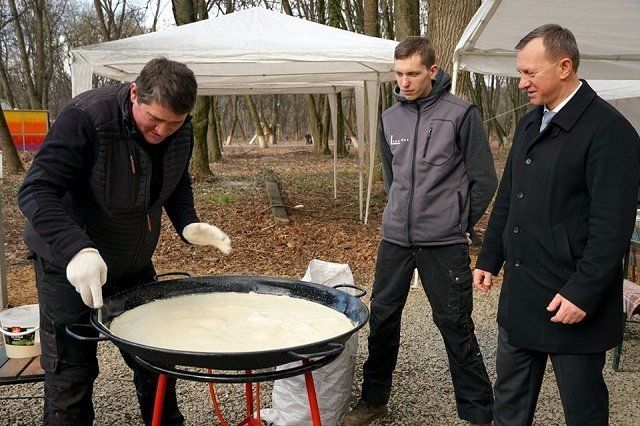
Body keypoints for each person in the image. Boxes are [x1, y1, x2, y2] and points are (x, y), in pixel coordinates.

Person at [18, 57, 232, 425]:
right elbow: (36, 190)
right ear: (135, 93)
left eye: (174, 122)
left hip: (132, 261)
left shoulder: (181, 129)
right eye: (155, 119)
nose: (163, 131)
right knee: (72, 373)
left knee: (157, 360)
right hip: (70, 267)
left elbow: (177, 179)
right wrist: (76, 249)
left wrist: (187, 223)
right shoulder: (86, 118)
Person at [473, 24, 640, 425]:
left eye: (530, 73)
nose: (521, 83)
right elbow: (510, 198)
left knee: (582, 412)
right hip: (522, 298)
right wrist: (489, 257)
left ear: (564, 66)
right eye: (520, 72)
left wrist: (582, 294)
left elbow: (611, 227)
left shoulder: (609, 131)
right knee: (509, 407)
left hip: (573, 303)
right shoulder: (531, 123)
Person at [344, 36, 497, 425]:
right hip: (395, 239)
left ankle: (480, 413)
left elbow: (484, 180)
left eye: (412, 73)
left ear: (432, 70)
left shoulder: (461, 114)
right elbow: (391, 176)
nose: (405, 82)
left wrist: (456, 221)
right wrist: (399, 212)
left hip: (443, 244)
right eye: (398, 74)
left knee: (455, 325)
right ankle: (374, 399)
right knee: (382, 319)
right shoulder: (389, 117)